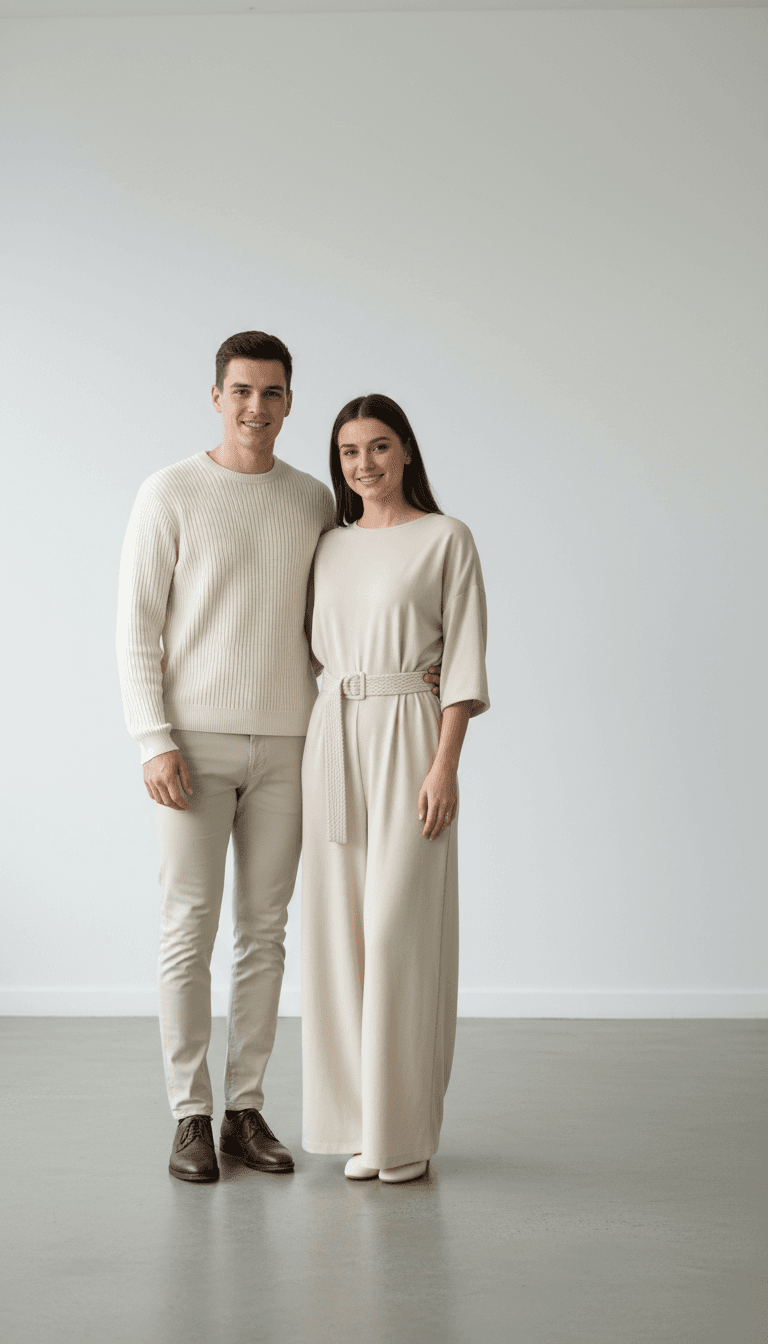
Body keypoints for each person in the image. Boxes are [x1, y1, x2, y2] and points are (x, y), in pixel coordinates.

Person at [116, 331, 443, 1183]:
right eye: (241, 392)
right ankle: (189, 1114)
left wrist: (419, 662)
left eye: (272, 393)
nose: (256, 407)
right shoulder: (170, 492)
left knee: (265, 933)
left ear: (291, 401)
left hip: (296, 744)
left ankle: (244, 1110)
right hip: (192, 744)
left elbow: (354, 600)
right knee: (189, 929)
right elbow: (136, 628)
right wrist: (153, 739)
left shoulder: (311, 503)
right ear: (216, 397)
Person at [300, 394, 490, 1184]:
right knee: (337, 938)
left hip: (411, 735)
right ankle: (356, 1124)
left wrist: (444, 765)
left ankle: (402, 1133)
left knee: (395, 935)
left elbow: (466, 661)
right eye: (349, 452)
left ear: (406, 451)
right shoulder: (327, 546)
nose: (364, 464)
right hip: (333, 735)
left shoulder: (446, 539)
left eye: (379, 447)